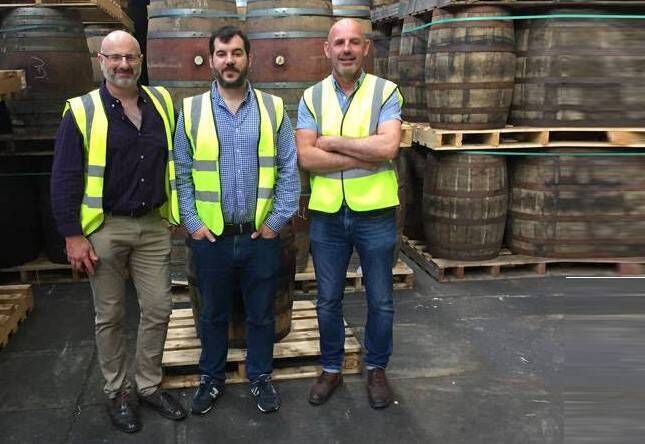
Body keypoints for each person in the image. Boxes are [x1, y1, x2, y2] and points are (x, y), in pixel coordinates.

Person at [50, 30, 186, 433]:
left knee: (159, 307)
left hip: (151, 225)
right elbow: (64, 177)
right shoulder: (81, 110)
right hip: (104, 228)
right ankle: (118, 391)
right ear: (100, 59)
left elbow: (174, 160)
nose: (123, 65)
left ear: (141, 59)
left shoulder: (161, 101)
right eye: (115, 58)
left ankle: (147, 384)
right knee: (109, 314)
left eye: (131, 57)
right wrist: (72, 235)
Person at [172, 26, 300, 415]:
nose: (230, 61)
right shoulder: (191, 110)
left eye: (237, 53)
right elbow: (181, 172)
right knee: (212, 313)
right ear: (211, 60)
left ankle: (260, 377)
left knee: (260, 313)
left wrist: (276, 222)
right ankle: (211, 378)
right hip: (211, 238)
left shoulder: (273, 109)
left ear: (249, 58)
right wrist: (193, 222)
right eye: (222, 53)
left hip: (259, 236)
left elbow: (289, 169)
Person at [295, 18, 404, 409]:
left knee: (381, 300)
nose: (346, 49)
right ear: (327, 49)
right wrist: (363, 149)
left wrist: (333, 143)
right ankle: (331, 368)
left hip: (374, 213)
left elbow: (387, 149)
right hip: (326, 216)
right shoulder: (312, 97)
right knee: (327, 300)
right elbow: (306, 156)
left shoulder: (385, 92)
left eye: (353, 42)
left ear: (366, 49)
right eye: (338, 42)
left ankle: (376, 369)